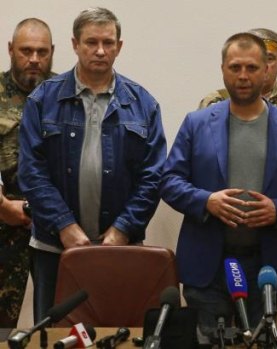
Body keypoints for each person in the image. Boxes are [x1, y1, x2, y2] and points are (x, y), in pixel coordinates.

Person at [159, 32, 277, 333]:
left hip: (266, 266)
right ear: (223, 69)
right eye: (235, 67)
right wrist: (206, 201)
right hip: (207, 265)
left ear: (267, 70)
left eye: (251, 68)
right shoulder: (196, 123)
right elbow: (170, 181)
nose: (243, 76)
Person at [18, 7, 167, 322]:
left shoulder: (144, 104)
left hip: (121, 247)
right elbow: (31, 172)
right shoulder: (42, 100)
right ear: (75, 44)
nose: (100, 51)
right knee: (53, 333)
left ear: (119, 46)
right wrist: (65, 226)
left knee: (115, 331)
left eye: (108, 42)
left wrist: (122, 230)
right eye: (91, 42)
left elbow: (153, 178)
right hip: (54, 249)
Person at [0, 17, 54, 328]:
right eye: (26, 50)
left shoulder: (65, 95)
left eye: (42, 52)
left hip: (53, 227)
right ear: (10, 50)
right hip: (4, 225)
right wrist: (3, 207)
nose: (34, 59)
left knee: (58, 320)